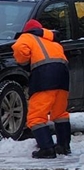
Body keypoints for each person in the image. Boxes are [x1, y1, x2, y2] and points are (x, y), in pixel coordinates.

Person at [13, 19, 71, 158]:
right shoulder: (52, 40)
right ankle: (63, 146)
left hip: (44, 76)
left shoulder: (27, 36)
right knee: (60, 113)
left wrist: (24, 63)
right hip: (62, 76)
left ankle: (47, 148)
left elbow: (19, 48)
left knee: (36, 116)